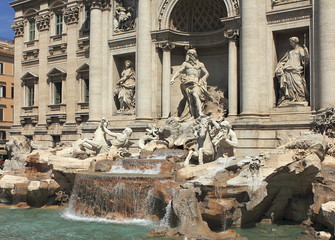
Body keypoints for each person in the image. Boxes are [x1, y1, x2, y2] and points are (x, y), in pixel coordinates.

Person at [170, 49, 212, 119]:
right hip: (187, 83)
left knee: (195, 95)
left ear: (195, 55)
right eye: (189, 54)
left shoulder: (200, 64)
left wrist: (203, 78)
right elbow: (179, 71)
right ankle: (192, 116)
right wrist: (173, 78)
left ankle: (200, 113)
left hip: (196, 83)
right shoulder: (185, 64)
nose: (190, 55)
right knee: (190, 99)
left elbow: (206, 73)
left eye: (192, 54)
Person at [275, 36, 309, 106]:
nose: (291, 44)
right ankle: (291, 98)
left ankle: (301, 97)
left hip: (296, 69)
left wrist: (306, 51)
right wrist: (281, 66)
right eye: (290, 42)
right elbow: (284, 60)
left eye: (292, 42)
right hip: (288, 69)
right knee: (289, 85)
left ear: (295, 42)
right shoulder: (289, 51)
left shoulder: (301, 49)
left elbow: (305, 60)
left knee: (298, 83)